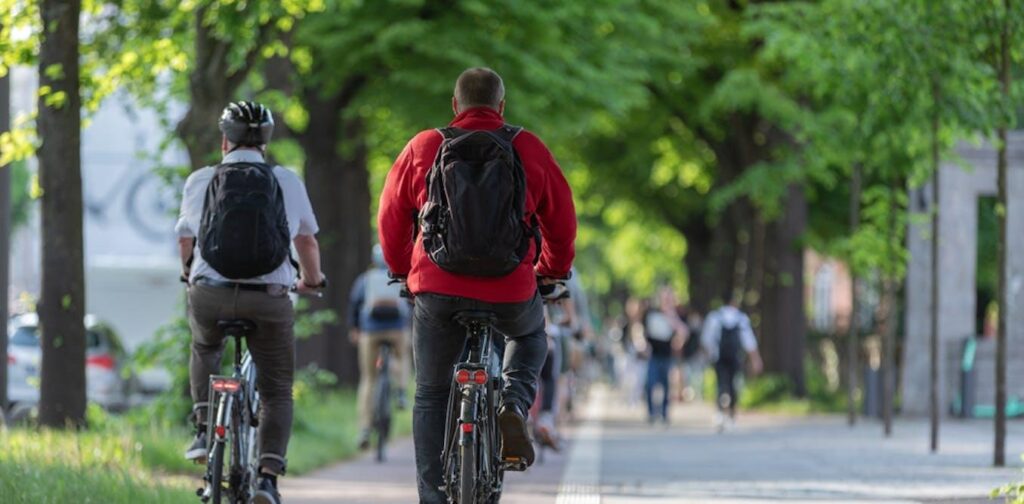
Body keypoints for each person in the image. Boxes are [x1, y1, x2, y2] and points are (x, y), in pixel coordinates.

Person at [378, 67, 576, 504]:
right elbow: (561, 221)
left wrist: (401, 269)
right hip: (509, 287)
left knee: (431, 392)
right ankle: (513, 405)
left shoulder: (425, 145)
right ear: (502, 107)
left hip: (437, 286)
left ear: (455, 105)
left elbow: (392, 217)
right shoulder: (528, 147)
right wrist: (552, 269)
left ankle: (431, 495)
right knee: (528, 336)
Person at [176, 101, 325, 504]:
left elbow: (186, 239)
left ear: (225, 140)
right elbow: (306, 240)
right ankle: (267, 478)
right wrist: (312, 280)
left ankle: (205, 427)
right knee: (276, 390)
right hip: (269, 299)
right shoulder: (285, 180)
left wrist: (191, 275)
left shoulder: (202, 179)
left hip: (211, 295)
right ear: (266, 141)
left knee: (205, 346)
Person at [349, 244, 411, 450]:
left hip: (370, 331)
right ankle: (401, 391)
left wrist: (355, 328)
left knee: (368, 379)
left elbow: (355, 303)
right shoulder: (401, 276)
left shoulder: (365, 279)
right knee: (402, 357)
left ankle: (365, 429)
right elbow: (410, 303)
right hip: (396, 329)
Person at [701, 292, 763, 431]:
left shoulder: (715, 317)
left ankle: (720, 411)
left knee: (721, 383)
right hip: (735, 357)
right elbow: (749, 341)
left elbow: (706, 339)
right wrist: (756, 359)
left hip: (719, 357)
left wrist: (708, 355)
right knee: (733, 384)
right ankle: (732, 415)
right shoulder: (741, 318)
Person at [632, 290, 686, 424]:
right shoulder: (651, 313)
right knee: (650, 384)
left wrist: (678, 341)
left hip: (667, 355)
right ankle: (651, 413)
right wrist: (641, 344)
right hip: (653, 354)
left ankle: (664, 413)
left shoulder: (673, 316)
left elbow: (683, 331)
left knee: (666, 386)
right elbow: (639, 329)